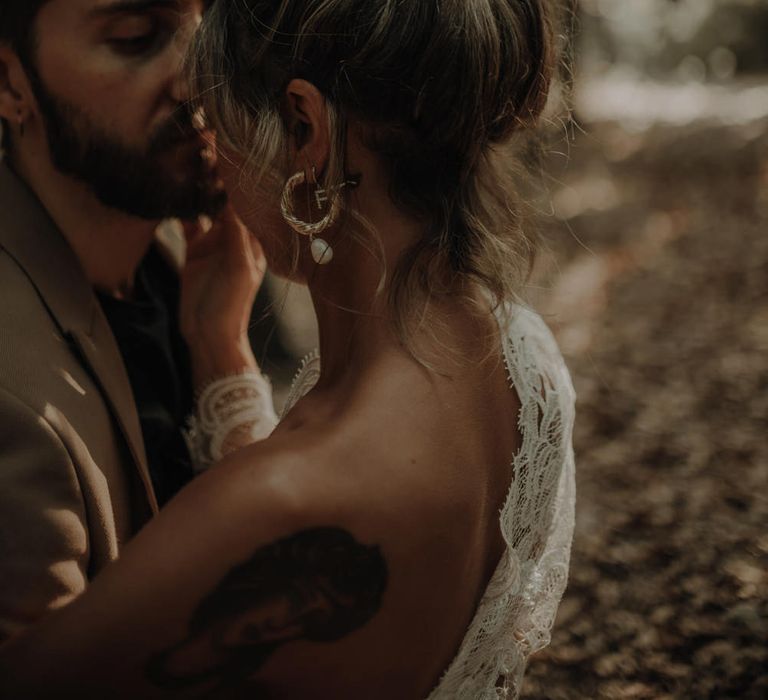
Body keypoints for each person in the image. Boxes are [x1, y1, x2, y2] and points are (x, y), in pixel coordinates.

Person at [0, 0, 576, 697]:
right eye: (134, 38)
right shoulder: (526, 359)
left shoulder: (279, 497)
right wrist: (222, 356)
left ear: (305, 129)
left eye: (221, 100)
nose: (195, 100)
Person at [0, 0, 275, 641]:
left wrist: (222, 353)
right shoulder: (13, 405)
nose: (200, 79)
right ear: (11, 85)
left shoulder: (180, 254)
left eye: (210, 30)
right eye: (135, 37)